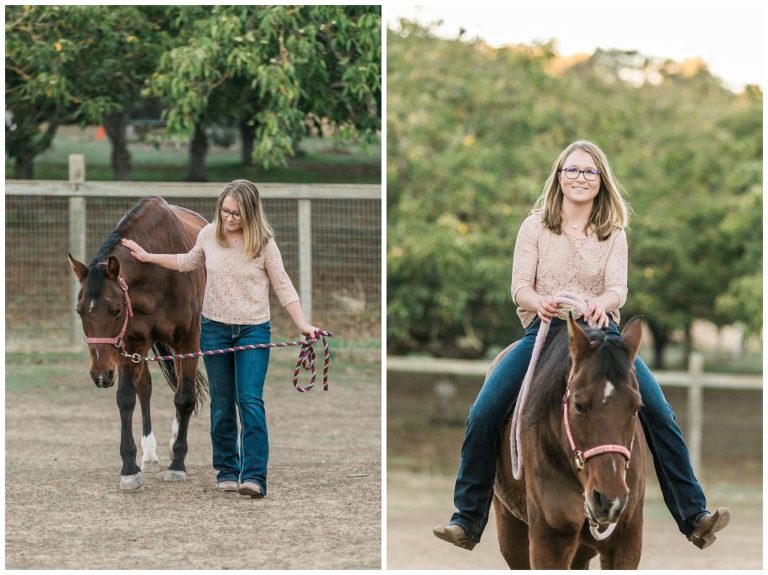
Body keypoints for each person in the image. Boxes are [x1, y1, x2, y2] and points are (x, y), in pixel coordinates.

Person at [433, 140, 730, 551]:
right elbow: (519, 286)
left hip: (601, 334)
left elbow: (617, 290)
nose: (580, 178)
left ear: (600, 180)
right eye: (572, 170)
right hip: (545, 332)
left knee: (659, 412)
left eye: (589, 172)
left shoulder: (612, 232)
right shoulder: (534, 226)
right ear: (559, 176)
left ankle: (693, 514)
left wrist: (601, 304)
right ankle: (467, 517)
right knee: (484, 410)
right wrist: (540, 301)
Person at [121, 179, 320, 498]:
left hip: (253, 329)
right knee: (222, 402)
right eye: (224, 211)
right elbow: (187, 261)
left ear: (251, 214)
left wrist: (302, 324)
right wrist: (147, 257)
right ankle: (227, 469)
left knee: (250, 400)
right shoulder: (209, 235)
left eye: (236, 214)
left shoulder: (264, 244)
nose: (228, 219)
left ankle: (254, 476)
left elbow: (283, 286)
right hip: (214, 329)